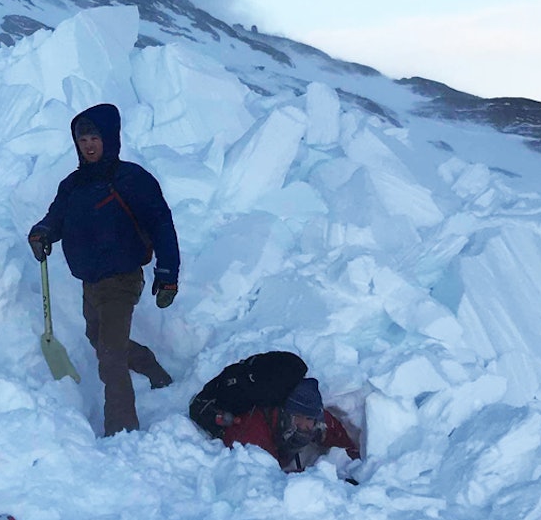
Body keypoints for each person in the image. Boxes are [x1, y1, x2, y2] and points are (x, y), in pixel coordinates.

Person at [27, 103, 180, 436]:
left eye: (95, 138)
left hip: (122, 279)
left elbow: (161, 224)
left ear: (109, 138)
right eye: (82, 140)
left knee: (110, 356)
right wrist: (42, 232)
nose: (89, 146)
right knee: (98, 339)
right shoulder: (72, 185)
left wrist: (168, 274)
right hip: (91, 281)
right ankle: (150, 366)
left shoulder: (132, 179)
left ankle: (121, 430)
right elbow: (56, 218)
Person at [195, 373, 360, 473]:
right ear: (285, 413)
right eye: (298, 417)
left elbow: (335, 433)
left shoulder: (312, 420)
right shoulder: (254, 432)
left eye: (309, 419)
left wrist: (355, 462)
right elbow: (266, 480)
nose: (304, 425)